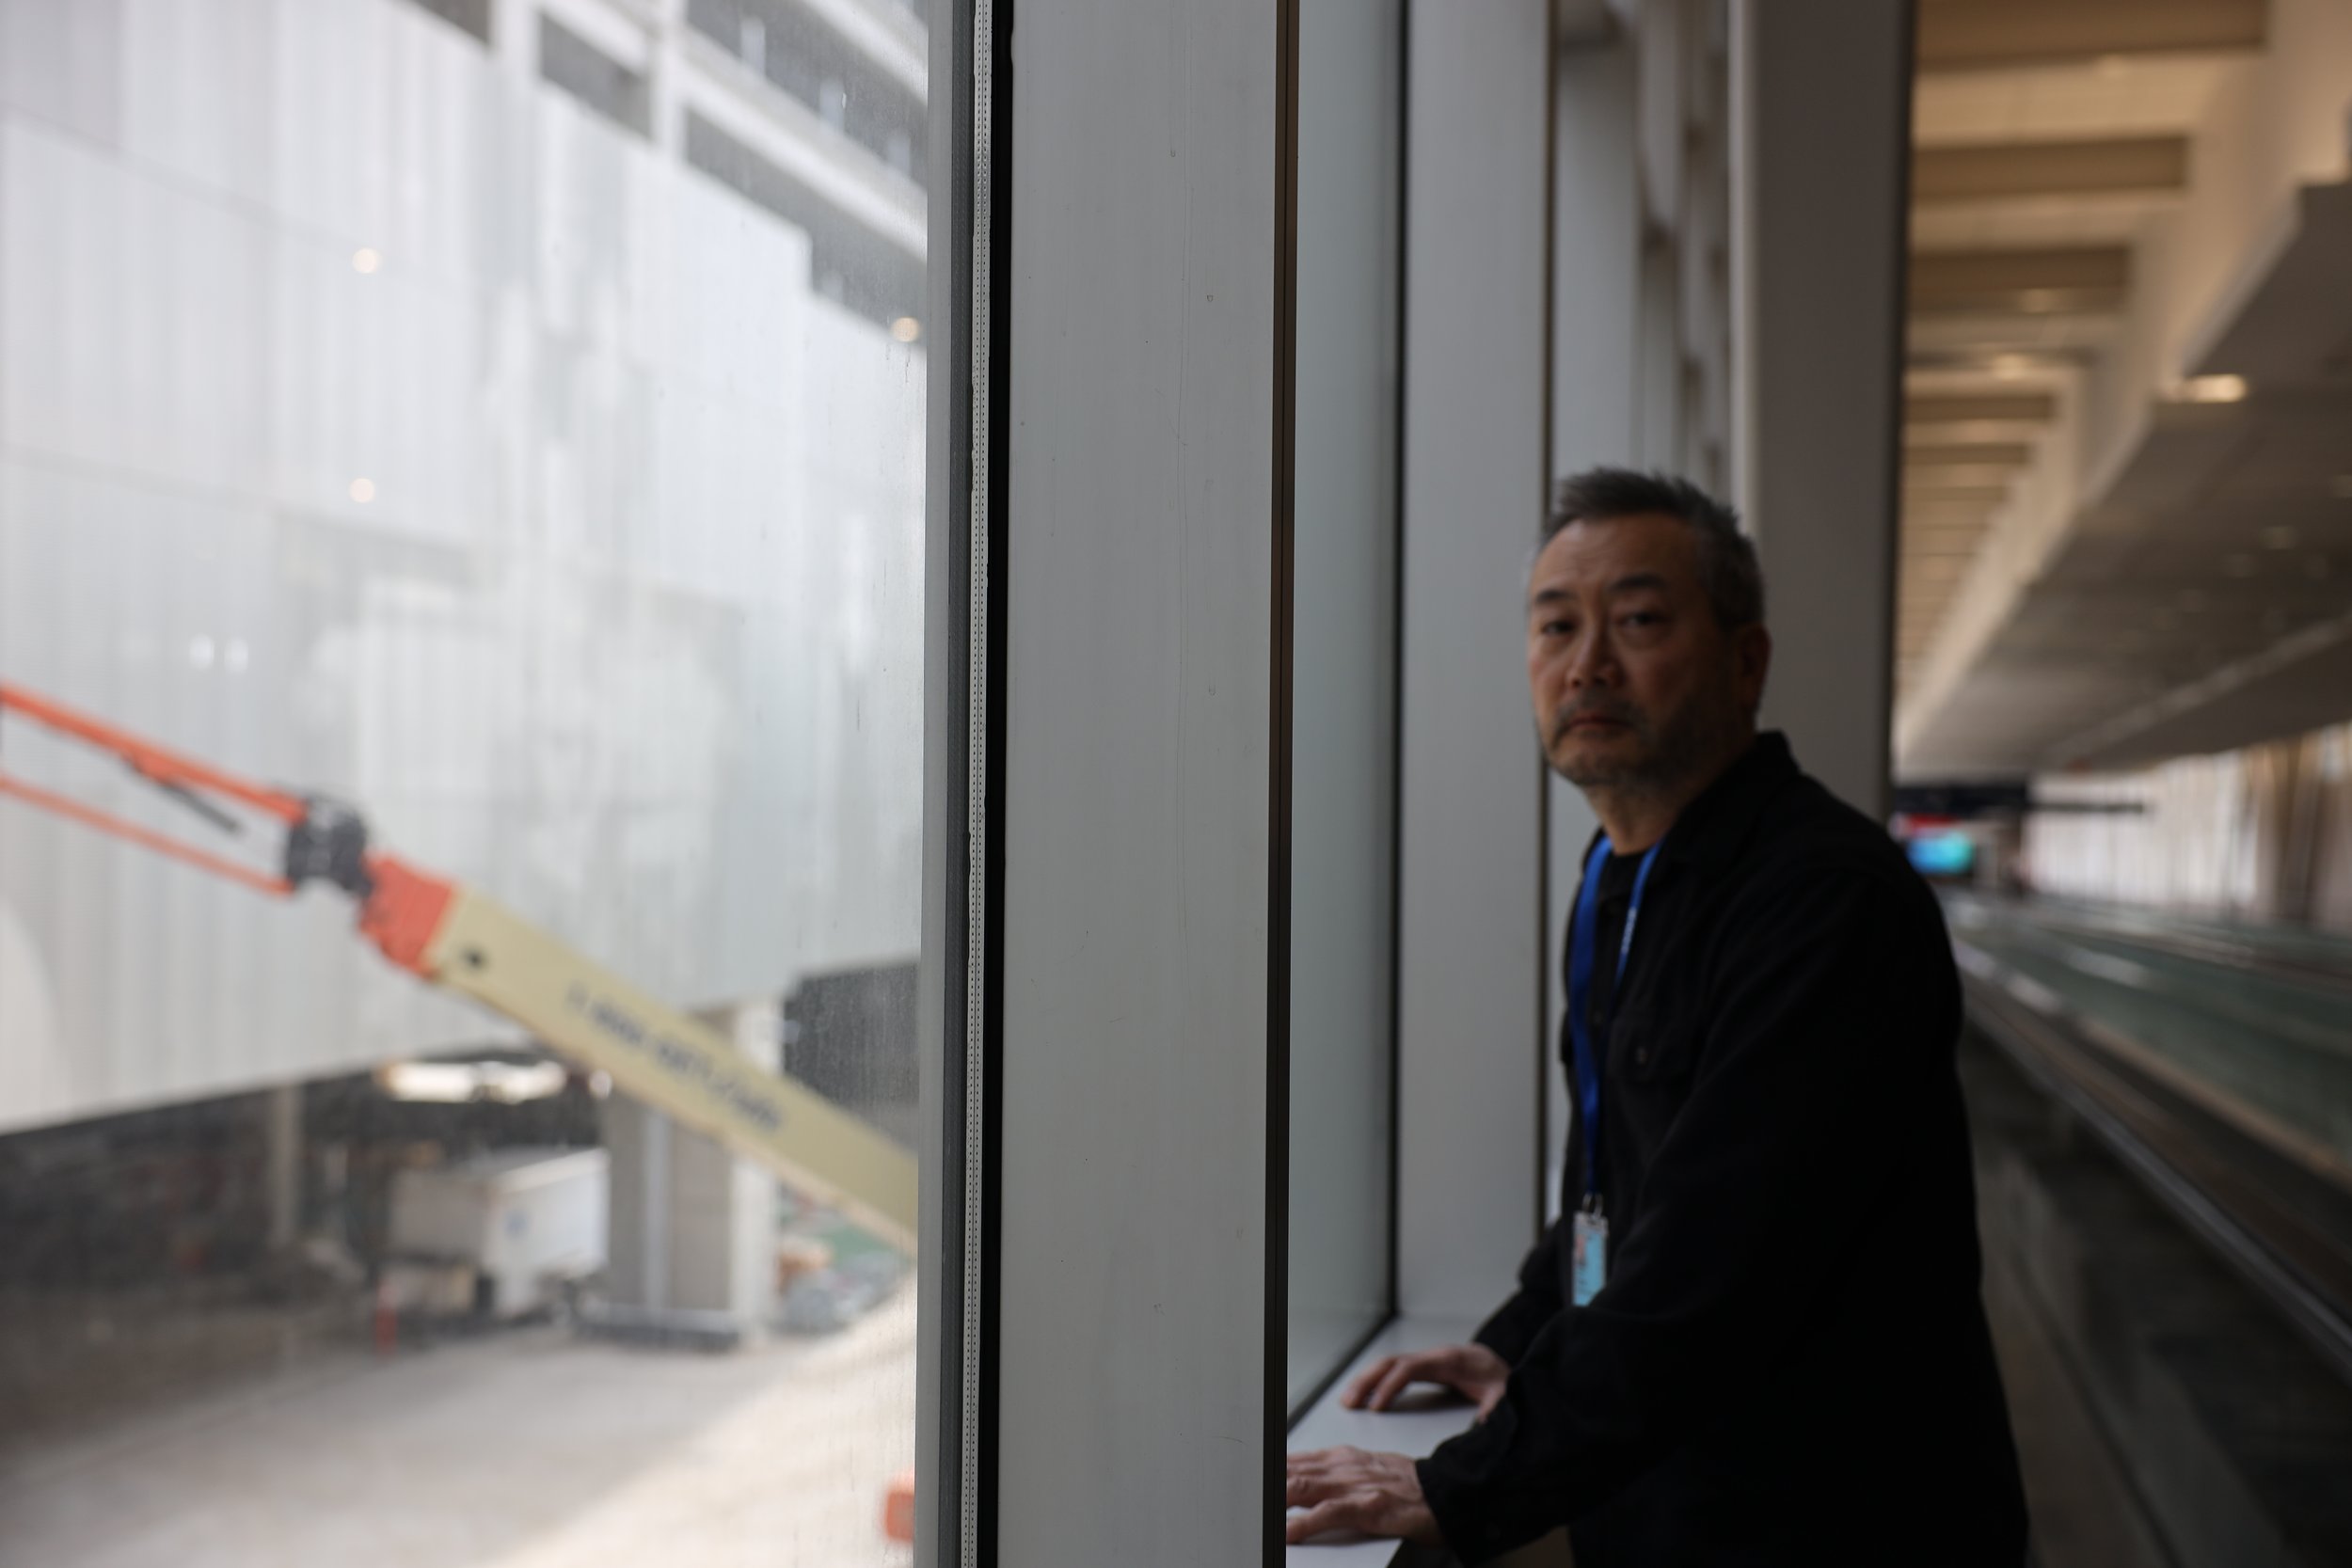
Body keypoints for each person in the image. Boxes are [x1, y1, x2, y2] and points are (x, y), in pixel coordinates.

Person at [1284, 469, 2027, 1564]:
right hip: (1666, 1508)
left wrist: (1466, 1480)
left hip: (1834, 1523)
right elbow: (1611, 1193)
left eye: (1635, 619)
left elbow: (1711, 1266)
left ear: (1745, 660)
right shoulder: (1616, 880)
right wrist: (1514, 1346)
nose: (1586, 661)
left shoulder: (1826, 903)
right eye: (1554, 625)